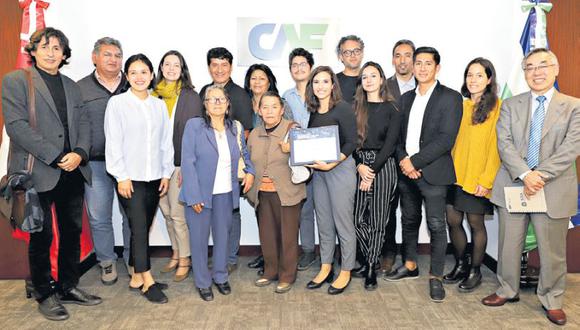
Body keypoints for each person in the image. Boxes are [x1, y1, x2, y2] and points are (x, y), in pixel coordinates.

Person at [2, 27, 101, 321]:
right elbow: (16, 126)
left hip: (72, 169)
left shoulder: (72, 86)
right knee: (41, 236)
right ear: (32, 51)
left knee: (72, 232)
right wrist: (56, 156)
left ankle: (69, 285)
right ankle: (45, 293)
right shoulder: (16, 80)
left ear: (64, 54)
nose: (51, 52)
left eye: (57, 48)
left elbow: (84, 123)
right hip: (38, 170)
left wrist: (80, 153)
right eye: (44, 46)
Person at [482, 48, 580, 326]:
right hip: (514, 184)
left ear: (555, 69)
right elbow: (504, 143)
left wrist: (540, 176)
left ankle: (552, 299)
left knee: (553, 251)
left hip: (553, 187)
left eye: (543, 66)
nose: (536, 72)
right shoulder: (511, 105)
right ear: (524, 72)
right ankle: (506, 289)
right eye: (530, 67)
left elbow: (572, 147)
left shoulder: (574, 106)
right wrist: (526, 174)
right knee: (509, 245)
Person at [385, 47, 463, 303]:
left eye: (427, 63)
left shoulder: (450, 97)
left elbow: (446, 139)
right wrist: (404, 162)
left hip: (434, 173)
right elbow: (396, 137)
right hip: (407, 173)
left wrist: (414, 161)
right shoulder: (406, 98)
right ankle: (409, 264)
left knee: (437, 225)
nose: (421, 68)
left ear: (437, 67)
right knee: (408, 220)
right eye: (418, 63)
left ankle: (436, 277)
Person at [104, 53, 174, 304]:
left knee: (142, 227)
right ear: (126, 75)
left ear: (152, 75)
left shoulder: (157, 105)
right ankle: (148, 280)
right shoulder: (118, 104)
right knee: (139, 228)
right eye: (133, 72)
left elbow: (166, 142)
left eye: (144, 72)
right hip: (129, 179)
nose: (139, 77)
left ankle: (135, 275)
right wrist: (121, 177)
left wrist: (166, 172)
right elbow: (113, 143)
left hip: (155, 177)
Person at [180, 85, 255, 302]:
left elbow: (245, 155)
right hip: (200, 194)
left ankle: (221, 277)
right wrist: (193, 195)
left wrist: (250, 170)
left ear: (228, 103)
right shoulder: (194, 126)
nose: (217, 103)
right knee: (199, 240)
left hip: (225, 193)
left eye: (221, 99)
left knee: (223, 238)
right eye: (211, 99)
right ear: (205, 104)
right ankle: (203, 282)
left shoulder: (235, 128)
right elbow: (188, 162)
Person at [443, 58, 501, 292]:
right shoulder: (460, 105)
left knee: (475, 223)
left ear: (489, 79)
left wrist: (486, 181)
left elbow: (497, 148)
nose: (473, 79)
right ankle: (461, 264)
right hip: (454, 175)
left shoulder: (498, 107)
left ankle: (476, 271)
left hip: (478, 178)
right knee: (453, 221)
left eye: (479, 75)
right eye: (469, 75)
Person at [77, 37, 131, 286]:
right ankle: (107, 262)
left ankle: (134, 261)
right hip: (95, 163)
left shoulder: (134, 84)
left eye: (117, 55)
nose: (113, 60)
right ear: (94, 57)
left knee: (132, 215)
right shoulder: (79, 88)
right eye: (107, 55)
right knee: (99, 216)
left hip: (130, 164)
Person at [199, 47, 253, 272]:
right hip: (208, 166)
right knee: (210, 209)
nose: (219, 69)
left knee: (232, 211)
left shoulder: (239, 94)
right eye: (214, 65)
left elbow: (246, 132)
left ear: (230, 67)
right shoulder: (204, 91)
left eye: (224, 65)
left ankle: (230, 257)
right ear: (209, 67)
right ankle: (219, 254)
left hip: (231, 165)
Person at [304, 66, 357, 295]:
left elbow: (352, 141)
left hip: (340, 169)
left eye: (325, 82)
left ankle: (346, 269)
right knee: (324, 223)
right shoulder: (314, 110)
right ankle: (326, 266)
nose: (321, 86)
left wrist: (332, 163)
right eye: (316, 82)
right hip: (319, 174)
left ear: (333, 85)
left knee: (342, 223)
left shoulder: (343, 108)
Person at [246, 91, 306, 293]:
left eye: (274, 107)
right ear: (259, 110)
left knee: (288, 236)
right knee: (267, 235)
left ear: (282, 110)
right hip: (262, 193)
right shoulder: (254, 133)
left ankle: (287, 275)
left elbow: (308, 161)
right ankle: (270, 271)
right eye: (265, 107)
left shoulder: (293, 129)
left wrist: (293, 149)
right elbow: (248, 163)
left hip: (287, 193)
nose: (269, 111)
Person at [152, 50, 202, 282]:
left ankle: (186, 259)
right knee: (166, 212)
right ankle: (175, 252)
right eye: (167, 64)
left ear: (182, 69)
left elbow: (195, 136)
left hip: (179, 164)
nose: (171, 69)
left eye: (176, 65)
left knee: (178, 213)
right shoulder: (152, 94)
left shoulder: (190, 96)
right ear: (161, 67)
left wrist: (187, 168)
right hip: (154, 166)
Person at [351, 62, 401, 290]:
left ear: (382, 79)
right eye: (364, 76)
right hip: (360, 163)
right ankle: (373, 254)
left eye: (373, 75)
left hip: (384, 165)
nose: (369, 80)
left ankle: (371, 265)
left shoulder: (393, 108)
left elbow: (391, 144)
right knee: (357, 219)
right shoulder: (355, 108)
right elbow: (351, 140)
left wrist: (372, 171)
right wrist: (361, 165)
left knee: (379, 219)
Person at [380, 39, 416, 275]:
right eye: (398, 55)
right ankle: (389, 253)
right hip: (390, 160)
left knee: (412, 213)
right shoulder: (383, 87)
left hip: (417, 162)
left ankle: (410, 258)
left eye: (407, 55)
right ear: (392, 59)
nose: (402, 60)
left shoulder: (425, 87)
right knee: (388, 211)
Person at [282, 48, 317, 271]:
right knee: (302, 208)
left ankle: (322, 253)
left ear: (310, 67)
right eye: (294, 65)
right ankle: (305, 251)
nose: (298, 68)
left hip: (322, 162)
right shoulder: (286, 97)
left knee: (321, 209)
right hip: (296, 162)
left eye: (303, 64)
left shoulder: (321, 91)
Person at [244, 63, 293, 128]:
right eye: (253, 78)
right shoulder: (243, 104)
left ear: (269, 84)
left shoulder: (281, 104)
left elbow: (290, 129)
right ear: (249, 84)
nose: (257, 82)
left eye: (262, 79)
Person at [336, 35, 364, 104]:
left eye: (356, 51)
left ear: (362, 54)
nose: (353, 55)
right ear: (341, 57)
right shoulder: (333, 81)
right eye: (347, 52)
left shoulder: (370, 79)